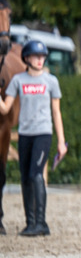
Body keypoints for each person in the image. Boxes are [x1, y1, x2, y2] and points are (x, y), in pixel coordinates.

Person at [0, 40, 68, 237]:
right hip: (25, 135)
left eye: (42, 57)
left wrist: (61, 142)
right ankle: (30, 223)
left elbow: (56, 112)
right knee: (25, 178)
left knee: (36, 174)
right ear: (27, 59)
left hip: (42, 134)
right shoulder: (18, 81)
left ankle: (41, 222)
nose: (40, 60)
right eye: (36, 56)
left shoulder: (50, 81)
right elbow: (5, 108)